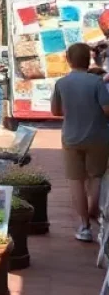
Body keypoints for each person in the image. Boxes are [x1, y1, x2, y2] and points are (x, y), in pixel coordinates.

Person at [50, 42, 109, 242]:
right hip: (98, 136)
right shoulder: (97, 83)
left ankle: (84, 226)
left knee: (75, 181)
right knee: (96, 176)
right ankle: (94, 211)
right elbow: (107, 109)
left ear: (68, 60)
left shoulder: (61, 83)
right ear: (89, 59)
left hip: (71, 137)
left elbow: (56, 112)